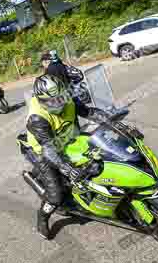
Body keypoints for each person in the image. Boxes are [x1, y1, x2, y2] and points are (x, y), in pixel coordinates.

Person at [22, 74, 105, 240]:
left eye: (60, 98)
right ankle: (42, 217)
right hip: (43, 152)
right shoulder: (37, 118)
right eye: (52, 101)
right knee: (56, 195)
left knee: (102, 158)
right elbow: (49, 151)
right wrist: (68, 168)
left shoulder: (69, 99)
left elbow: (89, 112)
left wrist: (114, 121)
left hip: (69, 140)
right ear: (41, 101)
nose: (58, 104)